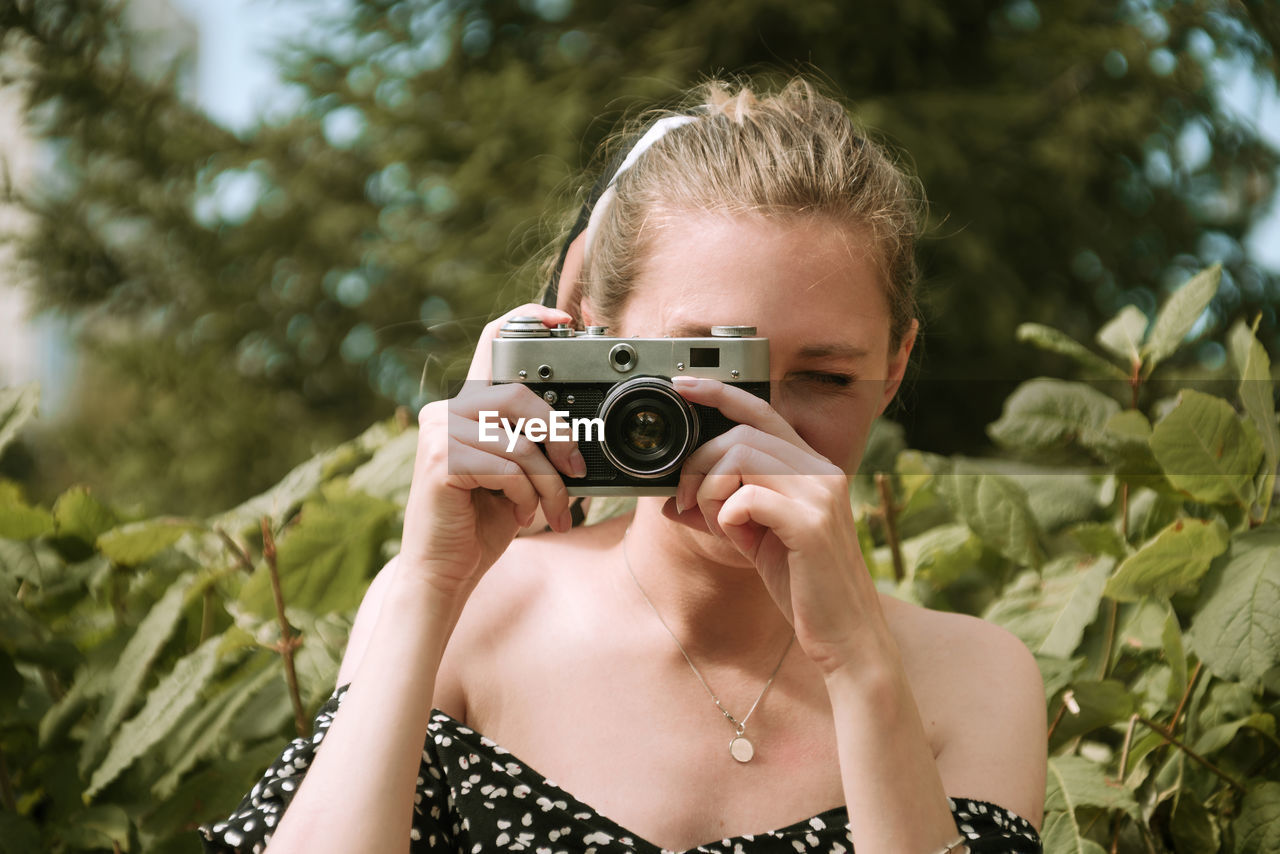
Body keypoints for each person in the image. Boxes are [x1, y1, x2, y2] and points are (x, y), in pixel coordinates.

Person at [198, 76, 1047, 854]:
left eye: (823, 377)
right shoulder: (465, 619)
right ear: (593, 342)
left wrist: (861, 669)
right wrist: (427, 585)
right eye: (701, 370)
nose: (754, 426)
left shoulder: (973, 680)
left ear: (893, 367)